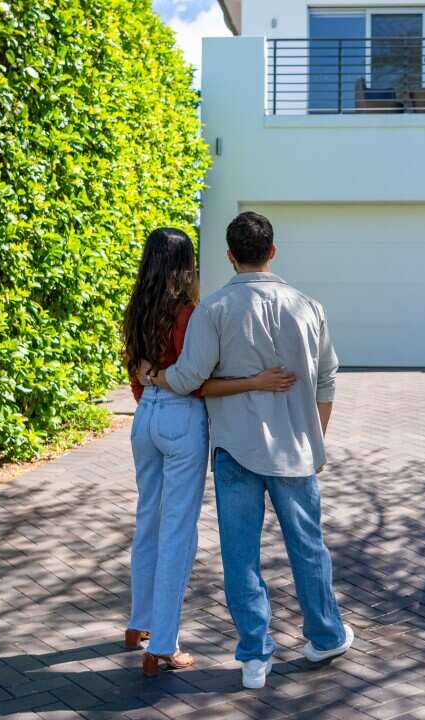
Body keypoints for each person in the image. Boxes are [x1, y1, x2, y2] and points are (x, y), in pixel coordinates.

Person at [143, 211, 353, 690]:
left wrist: (154, 377)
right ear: (272, 251)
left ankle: (254, 657)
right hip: (297, 452)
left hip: (236, 451)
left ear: (230, 256)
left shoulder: (214, 310)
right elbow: (326, 379)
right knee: (308, 548)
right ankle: (326, 635)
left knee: (240, 557)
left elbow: (188, 380)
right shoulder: (308, 306)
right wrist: (315, 437)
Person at [121, 226, 295, 678]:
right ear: (186, 265)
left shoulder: (136, 307)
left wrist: (151, 388)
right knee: (178, 530)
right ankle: (163, 645)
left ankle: (138, 622)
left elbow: (136, 373)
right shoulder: (189, 313)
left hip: (145, 419)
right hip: (181, 418)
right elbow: (195, 380)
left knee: (148, 520)